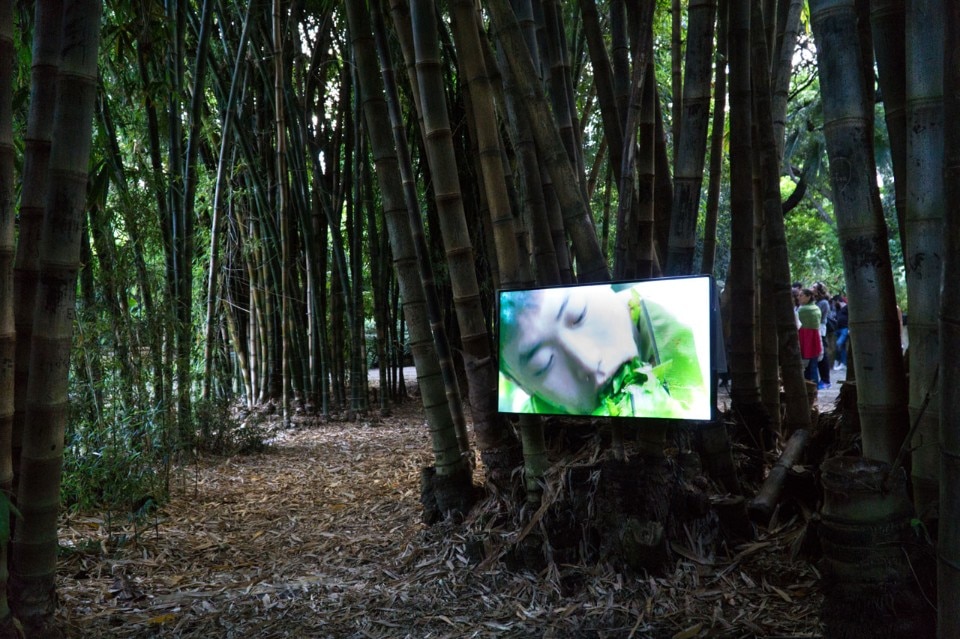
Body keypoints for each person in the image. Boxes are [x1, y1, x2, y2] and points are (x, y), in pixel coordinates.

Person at [498, 282, 709, 418]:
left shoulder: (696, 329)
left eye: (579, 314)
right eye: (542, 364)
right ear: (521, 385)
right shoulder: (528, 438)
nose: (589, 363)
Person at [797, 288, 822, 386]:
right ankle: (814, 386)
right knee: (813, 364)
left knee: (807, 366)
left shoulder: (803, 310)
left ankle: (809, 386)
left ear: (808, 297)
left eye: (801, 295)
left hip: (805, 338)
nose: (799, 297)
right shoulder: (816, 308)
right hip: (815, 338)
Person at [813, 282, 832, 388]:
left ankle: (826, 380)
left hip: (820, 330)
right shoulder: (816, 301)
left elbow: (818, 317)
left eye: (814, 287)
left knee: (823, 355)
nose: (812, 288)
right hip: (816, 330)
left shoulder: (823, 303)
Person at [833, 296, 849, 370]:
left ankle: (839, 361)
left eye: (834, 302)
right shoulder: (838, 309)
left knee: (839, 343)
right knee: (841, 346)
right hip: (838, 329)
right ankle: (842, 363)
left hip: (845, 329)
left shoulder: (846, 307)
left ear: (837, 301)